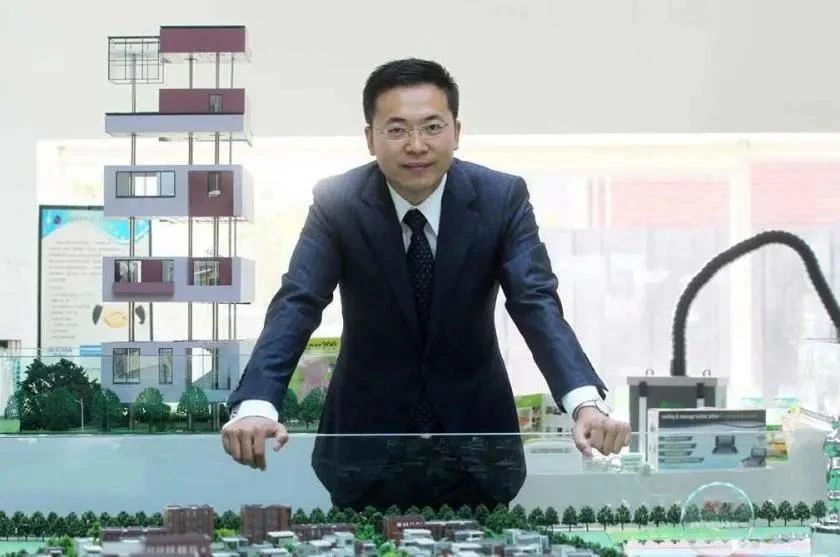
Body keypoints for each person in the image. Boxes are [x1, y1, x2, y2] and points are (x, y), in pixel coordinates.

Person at [222, 58, 631, 511]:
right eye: (397, 130)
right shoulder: (337, 203)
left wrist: (584, 403)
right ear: (370, 138)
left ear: (456, 131)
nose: (416, 145)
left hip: (477, 450)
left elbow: (535, 302)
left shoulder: (501, 198)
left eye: (432, 127)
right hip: (366, 452)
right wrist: (257, 405)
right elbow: (298, 301)